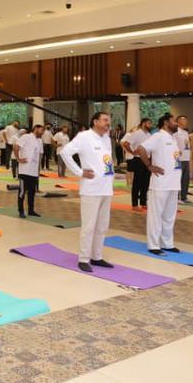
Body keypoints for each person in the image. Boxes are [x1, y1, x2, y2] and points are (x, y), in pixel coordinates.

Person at [59, 112, 118, 273]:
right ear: (95, 121)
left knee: (102, 226)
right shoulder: (84, 136)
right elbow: (65, 152)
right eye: (105, 120)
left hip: (106, 188)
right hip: (91, 189)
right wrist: (79, 172)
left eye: (109, 121)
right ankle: (84, 258)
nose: (108, 123)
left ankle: (97, 257)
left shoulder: (106, 138)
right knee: (89, 226)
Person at [138, 114, 182, 255]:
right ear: (165, 122)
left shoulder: (173, 138)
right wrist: (149, 165)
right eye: (174, 121)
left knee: (169, 216)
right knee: (156, 215)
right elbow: (141, 149)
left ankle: (167, 243)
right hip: (161, 183)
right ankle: (153, 245)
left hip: (173, 183)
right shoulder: (158, 136)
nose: (177, 123)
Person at [121, 118, 152, 211]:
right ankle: (134, 204)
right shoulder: (137, 133)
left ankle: (143, 202)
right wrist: (132, 152)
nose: (150, 125)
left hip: (147, 159)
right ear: (143, 123)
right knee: (137, 182)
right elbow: (126, 143)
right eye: (149, 123)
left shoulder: (149, 134)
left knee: (146, 182)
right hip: (138, 159)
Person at [14, 124, 44, 217]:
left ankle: (31, 210)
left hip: (34, 171)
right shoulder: (26, 136)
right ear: (36, 128)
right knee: (22, 191)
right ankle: (21, 211)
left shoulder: (39, 141)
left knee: (32, 192)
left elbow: (40, 154)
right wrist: (18, 158)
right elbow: (16, 146)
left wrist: (38, 168)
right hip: (25, 170)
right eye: (41, 130)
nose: (42, 132)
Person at [175, 115, 191, 202]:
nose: (186, 123)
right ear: (178, 122)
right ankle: (176, 197)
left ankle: (184, 196)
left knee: (186, 179)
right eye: (184, 121)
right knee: (178, 178)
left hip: (186, 158)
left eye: (186, 121)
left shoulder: (186, 133)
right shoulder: (175, 132)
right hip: (178, 159)